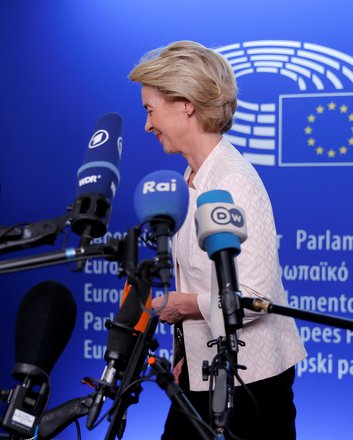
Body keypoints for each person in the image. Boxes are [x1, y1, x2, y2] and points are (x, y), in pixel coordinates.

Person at [128, 41, 306, 440]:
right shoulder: (192, 179)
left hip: (251, 383)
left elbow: (254, 297)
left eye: (150, 110)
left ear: (186, 104)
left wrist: (182, 307)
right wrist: (186, 354)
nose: (147, 125)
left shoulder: (232, 181)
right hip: (205, 369)